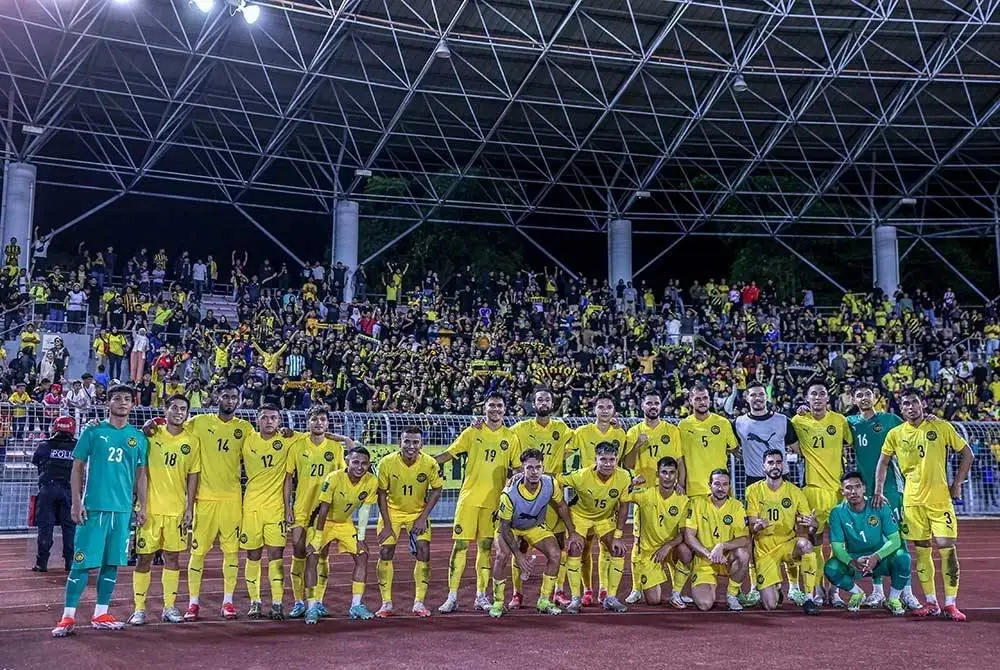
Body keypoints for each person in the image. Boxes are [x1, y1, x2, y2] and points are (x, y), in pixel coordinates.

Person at [52, 385, 149, 638]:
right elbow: (77, 468)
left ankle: (100, 613)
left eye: (127, 399)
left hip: (122, 510)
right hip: (93, 508)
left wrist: (142, 506)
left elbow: (141, 476)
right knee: (81, 563)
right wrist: (76, 501)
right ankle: (67, 617)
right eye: (117, 398)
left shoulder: (138, 438)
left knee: (112, 563)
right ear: (108, 403)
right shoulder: (93, 432)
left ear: (133, 405)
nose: (122, 402)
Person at [876, 387, 974, 621]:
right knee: (922, 551)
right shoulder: (896, 433)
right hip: (912, 501)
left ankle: (951, 603)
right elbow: (883, 462)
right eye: (906, 404)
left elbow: (967, 453)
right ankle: (931, 602)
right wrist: (879, 489)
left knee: (947, 548)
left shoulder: (940, 426)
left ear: (923, 405)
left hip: (940, 499)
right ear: (900, 409)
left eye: (914, 402)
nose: (910, 407)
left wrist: (957, 483)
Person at [167, 384, 254, 621]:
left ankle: (228, 602)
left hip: (232, 500)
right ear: (217, 398)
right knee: (198, 553)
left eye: (234, 396)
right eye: (225, 395)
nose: (229, 400)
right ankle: (193, 603)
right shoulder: (199, 422)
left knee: (232, 553)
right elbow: (172, 425)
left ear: (239, 400)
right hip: (204, 499)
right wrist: (152, 424)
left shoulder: (245, 429)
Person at [436, 394, 521, 613]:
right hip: (469, 498)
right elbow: (450, 453)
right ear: (484, 409)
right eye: (491, 405)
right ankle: (452, 597)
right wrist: (426, 462)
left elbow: (517, 467)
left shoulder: (510, 437)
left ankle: (480, 596)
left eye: (499, 406)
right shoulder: (472, 431)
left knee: (485, 549)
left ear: (505, 409)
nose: (495, 409)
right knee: (460, 547)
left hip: (494, 502)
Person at [846, 382, 919, 609]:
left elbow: (914, 427)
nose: (864, 398)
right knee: (873, 538)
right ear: (853, 400)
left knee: (898, 538)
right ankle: (877, 591)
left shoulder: (889, 420)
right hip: (864, 490)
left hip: (889, 488)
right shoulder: (850, 423)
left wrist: (930, 420)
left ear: (875, 397)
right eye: (859, 395)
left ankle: (905, 591)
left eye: (868, 394)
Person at [128, 395, 200, 625]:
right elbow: (139, 469)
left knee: (172, 558)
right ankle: (139, 608)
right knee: (144, 559)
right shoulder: (151, 434)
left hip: (176, 510)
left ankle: (169, 607)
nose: (179, 412)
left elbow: (193, 475)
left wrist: (190, 507)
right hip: (149, 510)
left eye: (183, 409)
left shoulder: (192, 441)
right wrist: (139, 504)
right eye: (174, 408)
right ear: (165, 410)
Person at [488, 448, 582, 617]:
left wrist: (572, 532)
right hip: (511, 528)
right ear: (522, 469)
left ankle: (544, 600)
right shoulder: (509, 494)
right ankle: (498, 602)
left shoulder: (550, 483)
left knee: (555, 554)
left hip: (535, 526)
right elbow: (504, 526)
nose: (534, 472)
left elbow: (561, 506)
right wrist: (518, 554)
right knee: (502, 555)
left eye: (537, 467)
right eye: (529, 468)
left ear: (543, 468)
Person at [283, 406, 354, 619]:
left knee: (321, 554)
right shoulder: (297, 446)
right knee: (298, 551)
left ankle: (319, 600)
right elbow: (288, 479)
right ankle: (298, 601)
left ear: (327, 423)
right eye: (314, 419)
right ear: (308, 422)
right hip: (302, 509)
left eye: (322, 419)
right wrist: (288, 507)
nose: (319, 423)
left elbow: (343, 476)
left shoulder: (335, 447)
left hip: (325, 511)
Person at [732, 381, 798, 606]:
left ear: (766, 396)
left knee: (787, 531)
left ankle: (795, 587)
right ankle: (754, 585)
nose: (758, 398)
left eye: (761, 394)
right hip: (754, 481)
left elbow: (797, 448)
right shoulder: (739, 423)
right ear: (747, 398)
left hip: (781, 480)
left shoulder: (782, 420)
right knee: (755, 534)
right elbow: (732, 447)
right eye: (753, 395)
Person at [510, 388, 575, 607]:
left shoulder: (562, 428)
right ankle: (517, 593)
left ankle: (558, 591)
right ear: (533, 403)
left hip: (551, 490)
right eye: (539, 399)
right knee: (520, 544)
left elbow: (580, 440)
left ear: (552, 403)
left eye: (547, 399)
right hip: (526, 491)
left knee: (558, 544)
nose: (544, 402)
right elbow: (503, 440)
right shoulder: (520, 429)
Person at [790, 382, 852, 607]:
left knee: (838, 545)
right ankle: (816, 588)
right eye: (813, 394)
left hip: (837, 493)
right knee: (814, 543)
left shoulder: (840, 421)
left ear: (828, 398)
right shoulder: (798, 421)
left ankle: (834, 591)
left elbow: (850, 444)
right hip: (812, 492)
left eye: (822, 394)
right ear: (807, 398)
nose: (817, 397)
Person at [374, 425, 444, 618]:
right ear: (400, 442)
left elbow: (437, 489)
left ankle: (419, 603)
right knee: (385, 551)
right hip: (392, 513)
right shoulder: (386, 463)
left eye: (415, 442)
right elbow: (381, 493)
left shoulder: (429, 463)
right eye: (407, 441)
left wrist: (422, 517)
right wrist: (387, 525)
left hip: (417, 513)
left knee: (424, 550)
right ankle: (386, 603)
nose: (411, 446)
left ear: (421, 444)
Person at [304, 446, 378, 624]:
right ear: (347, 462)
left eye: (364, 463)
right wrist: (317, 537)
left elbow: (365, 511)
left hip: (345, 523)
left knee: (363, 555)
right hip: (324, 522)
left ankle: (356, 605)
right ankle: (312, 606)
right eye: (355, 462)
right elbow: (323, 509)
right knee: (313, 557)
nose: (360, 467)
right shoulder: (334, 478)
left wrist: (360, 538)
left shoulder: (371, 481)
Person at [623, 391, 685, 605]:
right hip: (645, 496)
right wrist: (637, 446)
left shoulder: (671, 430)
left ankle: (677, 589)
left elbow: (680, 461)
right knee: (639, 541)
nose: (653, 406)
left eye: (656, 403)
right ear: (642, 405)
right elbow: (627, 464)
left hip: (669, 493)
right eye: (649, 403)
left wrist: (681, 484)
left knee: (674, 537)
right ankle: (636, 588)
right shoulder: (633, 432)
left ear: (661, 406)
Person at [566, 395, 627, 606]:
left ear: (614, 410)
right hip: (585, 495)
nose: (604, 410)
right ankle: (585, 590)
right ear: (594, 410)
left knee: (608, 547)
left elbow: (625, 459)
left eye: (609, 407)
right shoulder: (581, 432)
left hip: (607, 500)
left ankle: (605, 591)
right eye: (600, 407)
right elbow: (563, 451)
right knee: (582, 547)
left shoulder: (620, 432)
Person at [560, 441, 633, 614]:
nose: (608, 464)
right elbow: (556, 479)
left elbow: (624, 507)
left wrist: (618, 535)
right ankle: (576, 598)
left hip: (604, 519)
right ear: (595, 460)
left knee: (618, 550)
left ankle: (611, 598)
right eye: (603, 459)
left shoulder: (623, 477)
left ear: (616, 460)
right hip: (580, 517)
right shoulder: (581, 476)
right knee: (574, 549)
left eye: (612, 460)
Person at [825, 471, 910, 615]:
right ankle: (857, 593)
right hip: (856, 560)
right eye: (848, 488)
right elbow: (837, 547)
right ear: (842, 492)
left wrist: (876, 557)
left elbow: (895, 540)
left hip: (880, 559)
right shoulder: (837, 513)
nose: (853, 491)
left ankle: (893, 599)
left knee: (903, 558)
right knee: (831, 568)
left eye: (857, 487)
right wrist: (852, 562)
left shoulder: (879, 506)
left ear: (864, 488)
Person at [745, 449, 819, 614]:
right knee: (770, 605)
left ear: (783, 465)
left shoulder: (795, 491)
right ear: (763, 466)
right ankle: (775, 588)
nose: (775, 466)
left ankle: (809, 598)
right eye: (770, 463)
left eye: (778, 462)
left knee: (806, 546)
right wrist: (758, 526)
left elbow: (810, 526)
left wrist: (814, 524)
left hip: (787, 544)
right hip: (764, 550)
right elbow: (751, 526)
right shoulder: (753, 490)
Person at [241, 404, 293, 620]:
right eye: (265, 417)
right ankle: (255, 601)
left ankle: (278, 603)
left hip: (276, 510)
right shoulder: (247, 438)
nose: (269, 421)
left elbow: (316, 433)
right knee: (252, 556)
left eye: (273, 418)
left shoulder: (289, 439)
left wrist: (345, 441)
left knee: (275, 557)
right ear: (257, 420)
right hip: (251, 507)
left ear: (280, 421)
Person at [629, 456, 693, 608]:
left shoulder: (683, 500)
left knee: (685, 550)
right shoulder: (645, 494)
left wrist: (668, 546)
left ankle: (676, 593)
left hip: (670, 548)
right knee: (653, 601)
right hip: (649, 552)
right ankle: (638, 587)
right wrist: (631, 483)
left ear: (676, 474)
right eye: (664, 472)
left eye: (672, 472)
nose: (668, 476)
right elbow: (621, 495)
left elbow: (684, 532)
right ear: (657, 474)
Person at [683, 469, 750, 612]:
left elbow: (744, 539)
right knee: (704, 604)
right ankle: (700, 582)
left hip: (726, 559)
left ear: (729, 486)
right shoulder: (696, 503)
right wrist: (709, 554)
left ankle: (732, 595)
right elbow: (689, 536)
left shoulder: (737, 506)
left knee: (743, 554)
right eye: (717, 484)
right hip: (704, 560)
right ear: (709, 485)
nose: (721, 488)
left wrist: (722, 546)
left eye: (725, 484)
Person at [32, 416, 78, 573]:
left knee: (46, 525)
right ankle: (70, 562)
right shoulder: (77, 446)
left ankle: (41, 563)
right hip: (69, 490)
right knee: (69, 526)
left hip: (48, 488)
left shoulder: (45, 445)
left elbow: (37, 462)